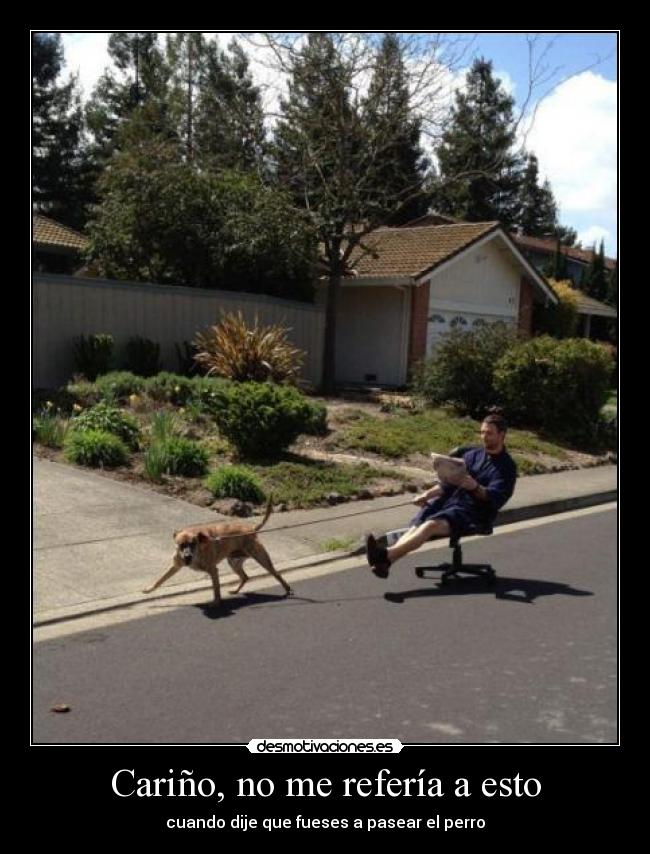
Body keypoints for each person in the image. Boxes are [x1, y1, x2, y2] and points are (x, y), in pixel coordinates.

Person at [365, 411, 517, 578]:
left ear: (502, 435)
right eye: (482, 432)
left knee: (431, 525)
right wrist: (426, 495)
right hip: (451, 501)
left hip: (474, 512)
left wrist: (475, 487)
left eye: (489, 433)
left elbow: (494, 498)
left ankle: (385, 556)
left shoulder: (507, 467)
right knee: (420, 521)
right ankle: (386, 561)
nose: (484, 437)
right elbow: (449, 483)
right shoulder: (473, 454)